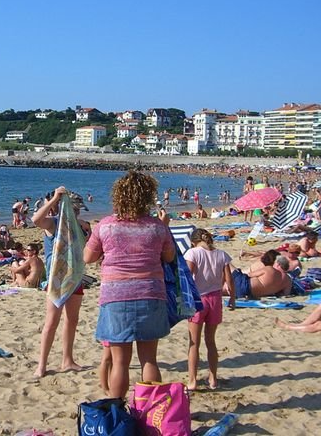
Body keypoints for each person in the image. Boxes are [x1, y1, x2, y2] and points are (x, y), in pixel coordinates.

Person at [84, 171, 175, 399]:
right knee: (149, 360)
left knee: (120, 362)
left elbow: (88, 257)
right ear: (146, 196)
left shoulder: (106, 226)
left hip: (116, 297)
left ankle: (118, 411)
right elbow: (170, 257)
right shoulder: (157, 227)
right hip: (150, 294)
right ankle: (150, 411)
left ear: (119, 196)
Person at [33, 186, 92, 378]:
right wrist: (55, 199)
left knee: (72, 320)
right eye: (74, 209)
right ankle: (41, 365)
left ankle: (67, 359)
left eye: (78, 210)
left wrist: (88, 231)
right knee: (51, 322)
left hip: (75, 278)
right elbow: (35, 220)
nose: (77, 212)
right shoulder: (54, 223)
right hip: (56, 280)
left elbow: (89, 254)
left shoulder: (81, 226)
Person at [183, 228, 234, 391]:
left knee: (194, 343)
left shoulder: (193, 253)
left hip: (199, 300)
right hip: (215, 299)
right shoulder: (222, 254)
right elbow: (229, 279)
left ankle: (193, 381)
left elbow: (188, 276)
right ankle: (213, 379)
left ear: (193, 241)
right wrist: (232, 298)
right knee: (211, 342)